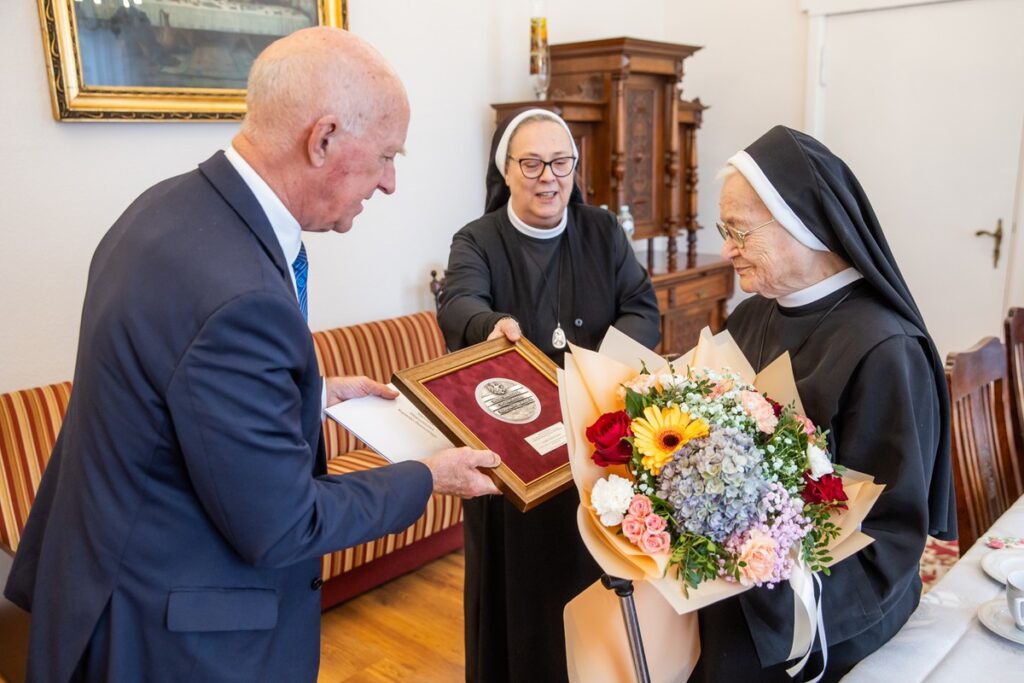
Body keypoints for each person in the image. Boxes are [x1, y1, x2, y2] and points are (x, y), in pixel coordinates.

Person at [3, 27, 500, 683]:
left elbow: (177, 392)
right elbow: (283, 525)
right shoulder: (240, 295)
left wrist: (311, 394)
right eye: (385, 156)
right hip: (174, 634)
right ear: (321, 139)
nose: (390, 184)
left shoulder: (166, 211)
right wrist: (429, 477)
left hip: (107, 577)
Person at [688, 125, 957, 682]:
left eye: (738, 231)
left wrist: (783, 598)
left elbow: (891, 532)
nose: (725, 250)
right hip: (736, 579)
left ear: (800, 224)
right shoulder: (755, 311)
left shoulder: (885, 349)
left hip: (828, 613)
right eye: (724, 229)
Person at [438, 108, 661, 682]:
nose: (548, 177)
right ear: (506, 170)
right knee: (520, 591)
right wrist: (490, 325)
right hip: (513, 454)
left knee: (588, 580)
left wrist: (600, 366)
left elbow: (641, 305)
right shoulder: (477, 239)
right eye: (532, 163)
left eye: (561, 162)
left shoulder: (602, 231)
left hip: (595, 444)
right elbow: (457, 300)